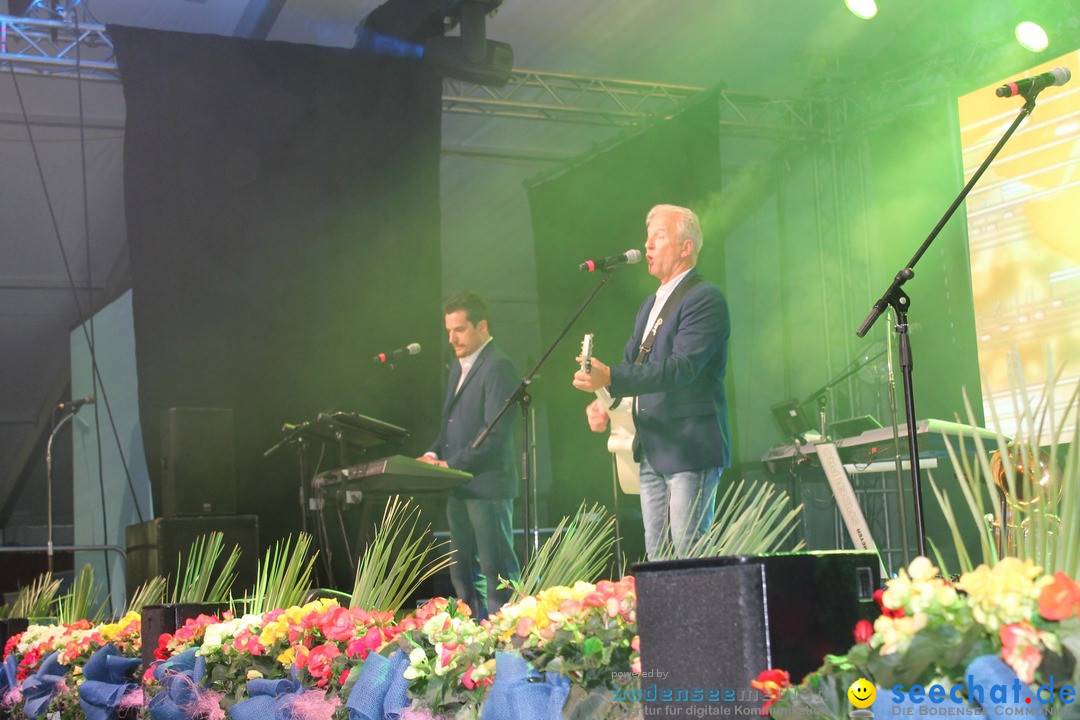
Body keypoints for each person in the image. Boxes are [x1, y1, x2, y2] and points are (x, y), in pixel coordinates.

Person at [572, 204, 731, 560]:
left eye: (658, 237)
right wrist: (604, 399)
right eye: (648, 238)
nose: (647, 245)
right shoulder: (650, 304)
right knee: (658, 557)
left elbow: (681, 368)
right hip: (653, 447)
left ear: (686, 248)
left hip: (688, 447)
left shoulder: (704, 297)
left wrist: (610, 377)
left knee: (689, 554)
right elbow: (634, 365)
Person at [417, 291, 521, 618]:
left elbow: (494, 432)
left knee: (496, 571)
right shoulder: (458, 365)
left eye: (459, 329)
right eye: (449, 330)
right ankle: (474, 636)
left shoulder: (499, 365)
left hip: (487, 487)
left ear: (482, 326)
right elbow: (451, 425)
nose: (452, 338)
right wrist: (433, 453)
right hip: (459, 486)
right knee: (462, 571)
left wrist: (451, 464)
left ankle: (507, 636)